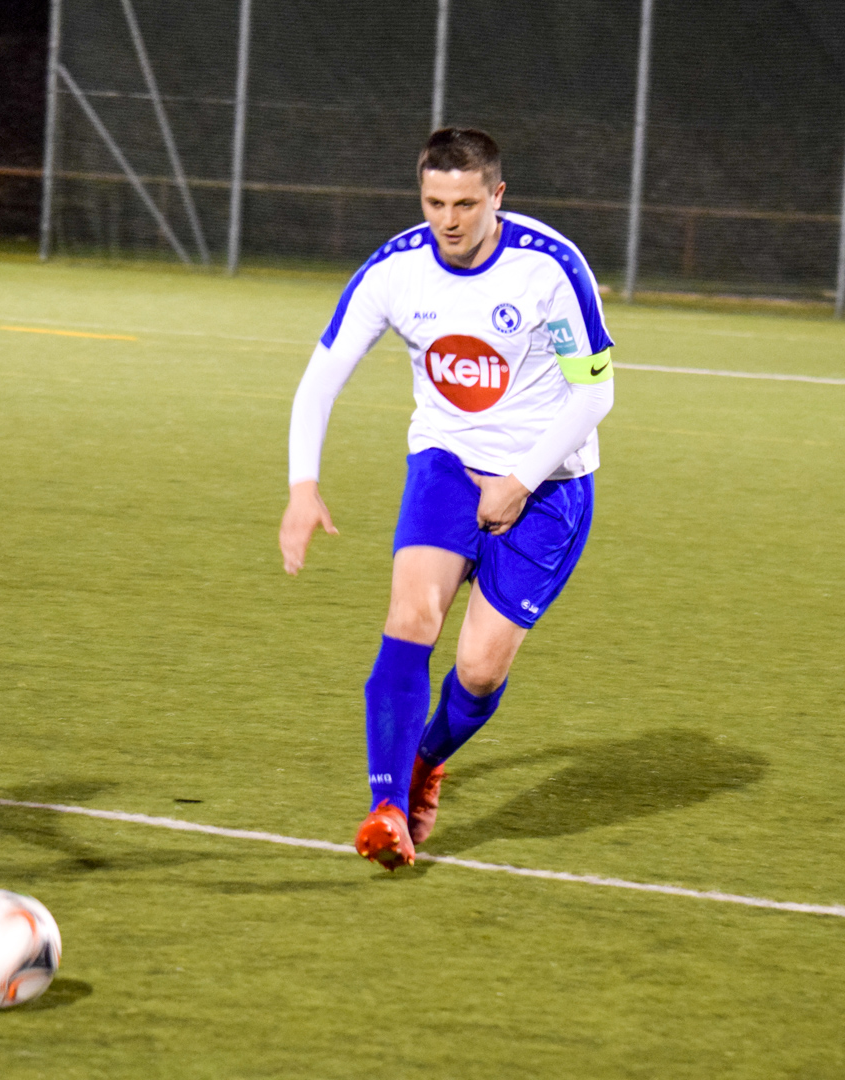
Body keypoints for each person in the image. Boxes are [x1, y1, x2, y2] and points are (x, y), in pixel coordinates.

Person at [279, 128, 615, 870]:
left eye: (465, 204)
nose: (448, 220)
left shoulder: (549, 268)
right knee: (411, 617)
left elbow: (595, 395)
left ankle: (427, 760)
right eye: (434, 203)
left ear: (497, 196)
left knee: (481, 671)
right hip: (447, 465)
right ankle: (388, 809)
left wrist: (520, 481)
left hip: (550, 483)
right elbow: (319, 381)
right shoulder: (394, 271)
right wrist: (303, 487)